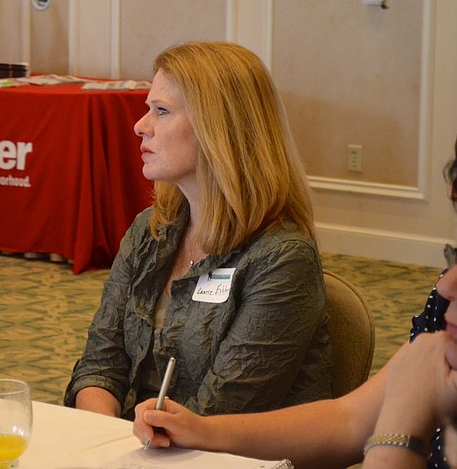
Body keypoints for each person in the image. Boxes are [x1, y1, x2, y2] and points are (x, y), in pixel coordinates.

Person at [133, 138, 457, 469]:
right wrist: (201, 430)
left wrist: (402, 425)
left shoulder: (282, 254)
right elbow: (348, 421)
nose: (446, 284)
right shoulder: (443, 317)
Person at [64, 42, 332, 420]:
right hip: (138, 445)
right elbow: (100, 363)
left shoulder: (281, 258)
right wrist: (101, 435)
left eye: (161, 112)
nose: (140, 126)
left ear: (217, 129)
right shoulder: (151, 231)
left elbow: (222, 413)